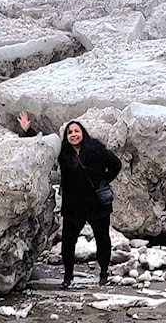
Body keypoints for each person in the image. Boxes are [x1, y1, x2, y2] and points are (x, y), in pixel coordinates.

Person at [18, 111, 122, 288]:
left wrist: (103, 181)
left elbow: (116, 164)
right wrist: (28, 130)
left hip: (96, 202)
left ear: (83, 133)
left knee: (102, 238)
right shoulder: (63, 152)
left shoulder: (95, 148)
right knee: (68, 241)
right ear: (67, 136)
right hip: (73, 204)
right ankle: (68, 277)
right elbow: (43, 147)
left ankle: (104, 272)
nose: (73, 135)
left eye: (76, 131)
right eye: (70, 132)